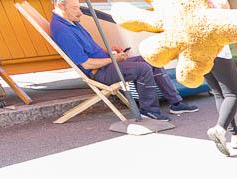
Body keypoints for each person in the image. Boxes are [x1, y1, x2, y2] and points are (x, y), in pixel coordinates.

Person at [49, 0, 197, 121]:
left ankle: (176, 103)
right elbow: (87, 64)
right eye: (75, 8)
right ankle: (148, 110)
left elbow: (90, 49)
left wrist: (109, 50)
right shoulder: (62, 31)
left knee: (151, 58)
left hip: (106, 64)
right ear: (61, 6)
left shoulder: (71, 20)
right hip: (99, 72)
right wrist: (113, 58)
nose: (80, 12)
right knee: (143, 69)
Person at [203, 0, 237, 156]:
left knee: (219, 94)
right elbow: (224, 11)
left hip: (198, 53)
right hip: (217, 49)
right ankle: (220, 129)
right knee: (234, 94)